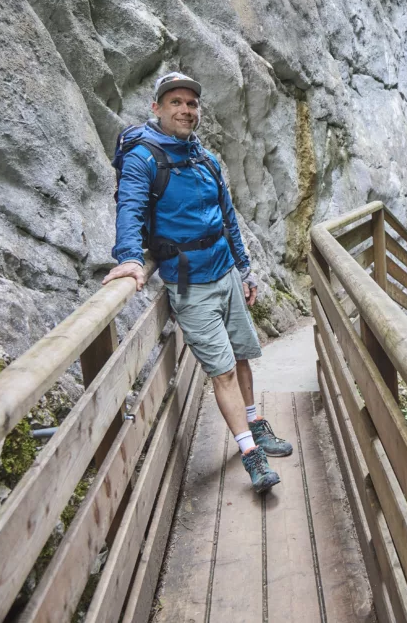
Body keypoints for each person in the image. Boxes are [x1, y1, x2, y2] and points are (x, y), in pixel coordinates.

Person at [102, 72, 292, 495]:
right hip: (189, 283)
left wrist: (245, 269)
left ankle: (255, 423)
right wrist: (131, 258)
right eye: (176, 102)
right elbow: (130, 208)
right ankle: (250, 455)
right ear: (157, 108)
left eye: (191, 103)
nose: (186, 110)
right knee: (222, 370)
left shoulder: (202, 156)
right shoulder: (143, 157)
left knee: (241, 356)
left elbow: (227, 216)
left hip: (224, 271)